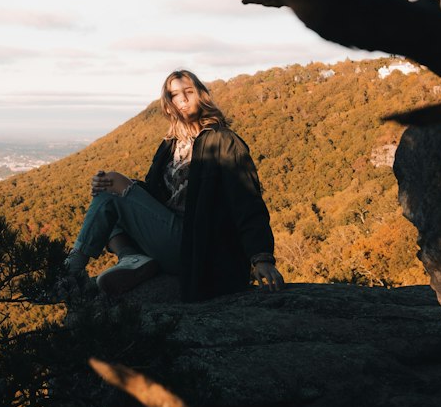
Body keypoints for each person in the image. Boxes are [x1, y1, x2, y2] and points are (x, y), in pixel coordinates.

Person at [59, 70, 284, 301]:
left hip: (197, 246)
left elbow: (247, 200)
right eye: (175, 95)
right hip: (171, 234)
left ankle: (69, 274)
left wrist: (262, 258)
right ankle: (130, 257)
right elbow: (155, 195)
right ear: (168, 104)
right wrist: (120, 188)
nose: (183, 100)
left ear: (202, 96)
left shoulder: (223, 141)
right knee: (108, 185)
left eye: (189, 92)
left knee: (112, 186)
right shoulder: (170, 145)